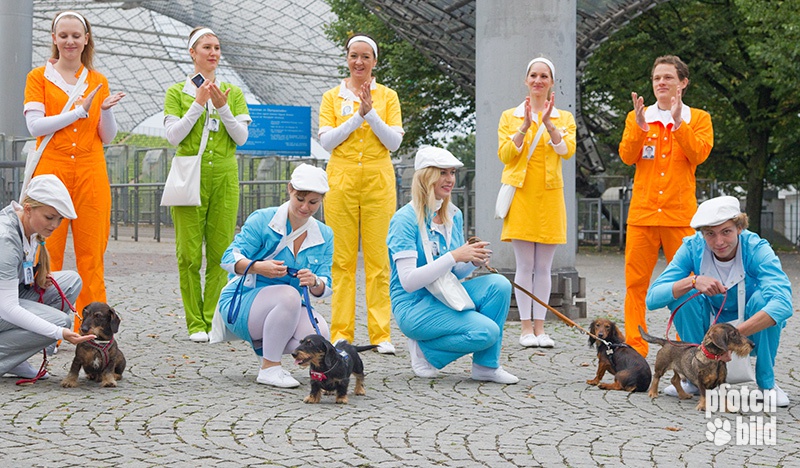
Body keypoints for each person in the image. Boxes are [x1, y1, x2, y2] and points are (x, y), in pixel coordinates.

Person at [23, 10, 125, 329]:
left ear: (86, 39)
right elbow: (34, 124)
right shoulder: (38, 77)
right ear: (54, 39)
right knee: (44, 252)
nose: (69, 41)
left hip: (90, 171)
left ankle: (93, 329)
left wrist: (103, 111)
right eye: (63, 35)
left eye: (75, 36)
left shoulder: (98, 81)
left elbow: (105, 135)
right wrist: (78, 111)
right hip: (51, 170)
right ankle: (43, 327)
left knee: (91, 255)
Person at [387, 147, 519, 384]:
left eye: (452, 173)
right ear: (426, 177)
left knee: (499, 285)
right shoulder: (404, 220)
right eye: (443, 173)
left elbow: (454, 273)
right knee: (487, 331)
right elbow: (408, 282)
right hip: (413, 305)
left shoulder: (453, 215)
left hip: (443, 294)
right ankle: (426, 352)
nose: (450, 180)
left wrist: (471, 261)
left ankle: (486, 366)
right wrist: (455, 256)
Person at [646, 196, 792, 407]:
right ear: (702, 233)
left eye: (726, 232)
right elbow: (652, 298)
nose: (719, 242)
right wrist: (692, 281)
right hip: (709, 327)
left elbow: (783, 303)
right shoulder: (692, 247)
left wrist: (732, 338)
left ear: (739, 227)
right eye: (710, 234)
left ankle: (767, 384)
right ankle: (694, 379)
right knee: (684, 295)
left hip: (751, 330)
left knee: (765, 301)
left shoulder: (757, 248)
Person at [619, 55, 713, 357]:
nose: (661, 82)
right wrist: (639, 126)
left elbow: (698, 155)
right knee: (636, 284)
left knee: (690, 284)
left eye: (668, 77)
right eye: (657, 78)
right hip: (643, 215)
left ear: (683, 83)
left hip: (680, 216)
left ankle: (689, 347)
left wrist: (677, 123)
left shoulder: (698, 118)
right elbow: (626, 156)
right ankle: (635, 347)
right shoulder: (639, 116)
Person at [164, 26, 251, 342]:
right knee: (188, 254)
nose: (213, 53)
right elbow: (174, 136)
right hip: (190, 174)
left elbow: (241, 137)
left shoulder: (232, 91)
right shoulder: (177, 92)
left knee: (221, 251)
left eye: (216, 47)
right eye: (206, 47)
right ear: (192, 52)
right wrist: (199, 103)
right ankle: (194, 322)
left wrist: (223, 106)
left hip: (225, 177)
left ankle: (212, 318)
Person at [318, 33, 404, 354]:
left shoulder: (388, 96)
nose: (359, 62)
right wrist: (358, 115)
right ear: (347, 58)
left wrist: (371, 113)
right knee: (341, 260)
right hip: (340, 179)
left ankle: (381, 333)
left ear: (375, 61)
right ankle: (342, 332)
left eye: (366, 56)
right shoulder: (332, 97)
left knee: (378, 259)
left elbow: (393, 142)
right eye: (354, 55)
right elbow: (327, 141)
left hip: (378, 181)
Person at [216, 164, 333, 388]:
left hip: (284, 308)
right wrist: (258, 267)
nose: (305, 207)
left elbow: (325, 282)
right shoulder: (263, 219)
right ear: (289, 189)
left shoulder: (325, 234)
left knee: (319, 332)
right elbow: (227, 258)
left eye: (313, 202)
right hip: (241, 302)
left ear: (321, 200)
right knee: (289, 295)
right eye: (300, 199)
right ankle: (270, 367)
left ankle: (266, 347)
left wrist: (314, 282)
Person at [497, 57, 576, 348]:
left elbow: (567, 150)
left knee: (544, 267)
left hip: (550, 194)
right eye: (533, 75)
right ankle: (525, 328)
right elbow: (505, 155)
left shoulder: (564, 118)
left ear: (552, 82)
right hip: (521, 193)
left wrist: (547, 125)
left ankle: (541, 328)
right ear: (526, 80)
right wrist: (526, 126)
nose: (538, 80)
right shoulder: (510, 116)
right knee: (524, 264)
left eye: (544, 76)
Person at [0, 175, 95, 379]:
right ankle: (5, 356)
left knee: (71, 281)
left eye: (59, 219)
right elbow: (7, 308)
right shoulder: (5, 239)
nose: (54, 225)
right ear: (28, 209)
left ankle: (16, 358)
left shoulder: (28, 226)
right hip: (4, 306)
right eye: (49, 217)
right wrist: (57, 332)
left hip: (7, 299)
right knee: (60, 322)